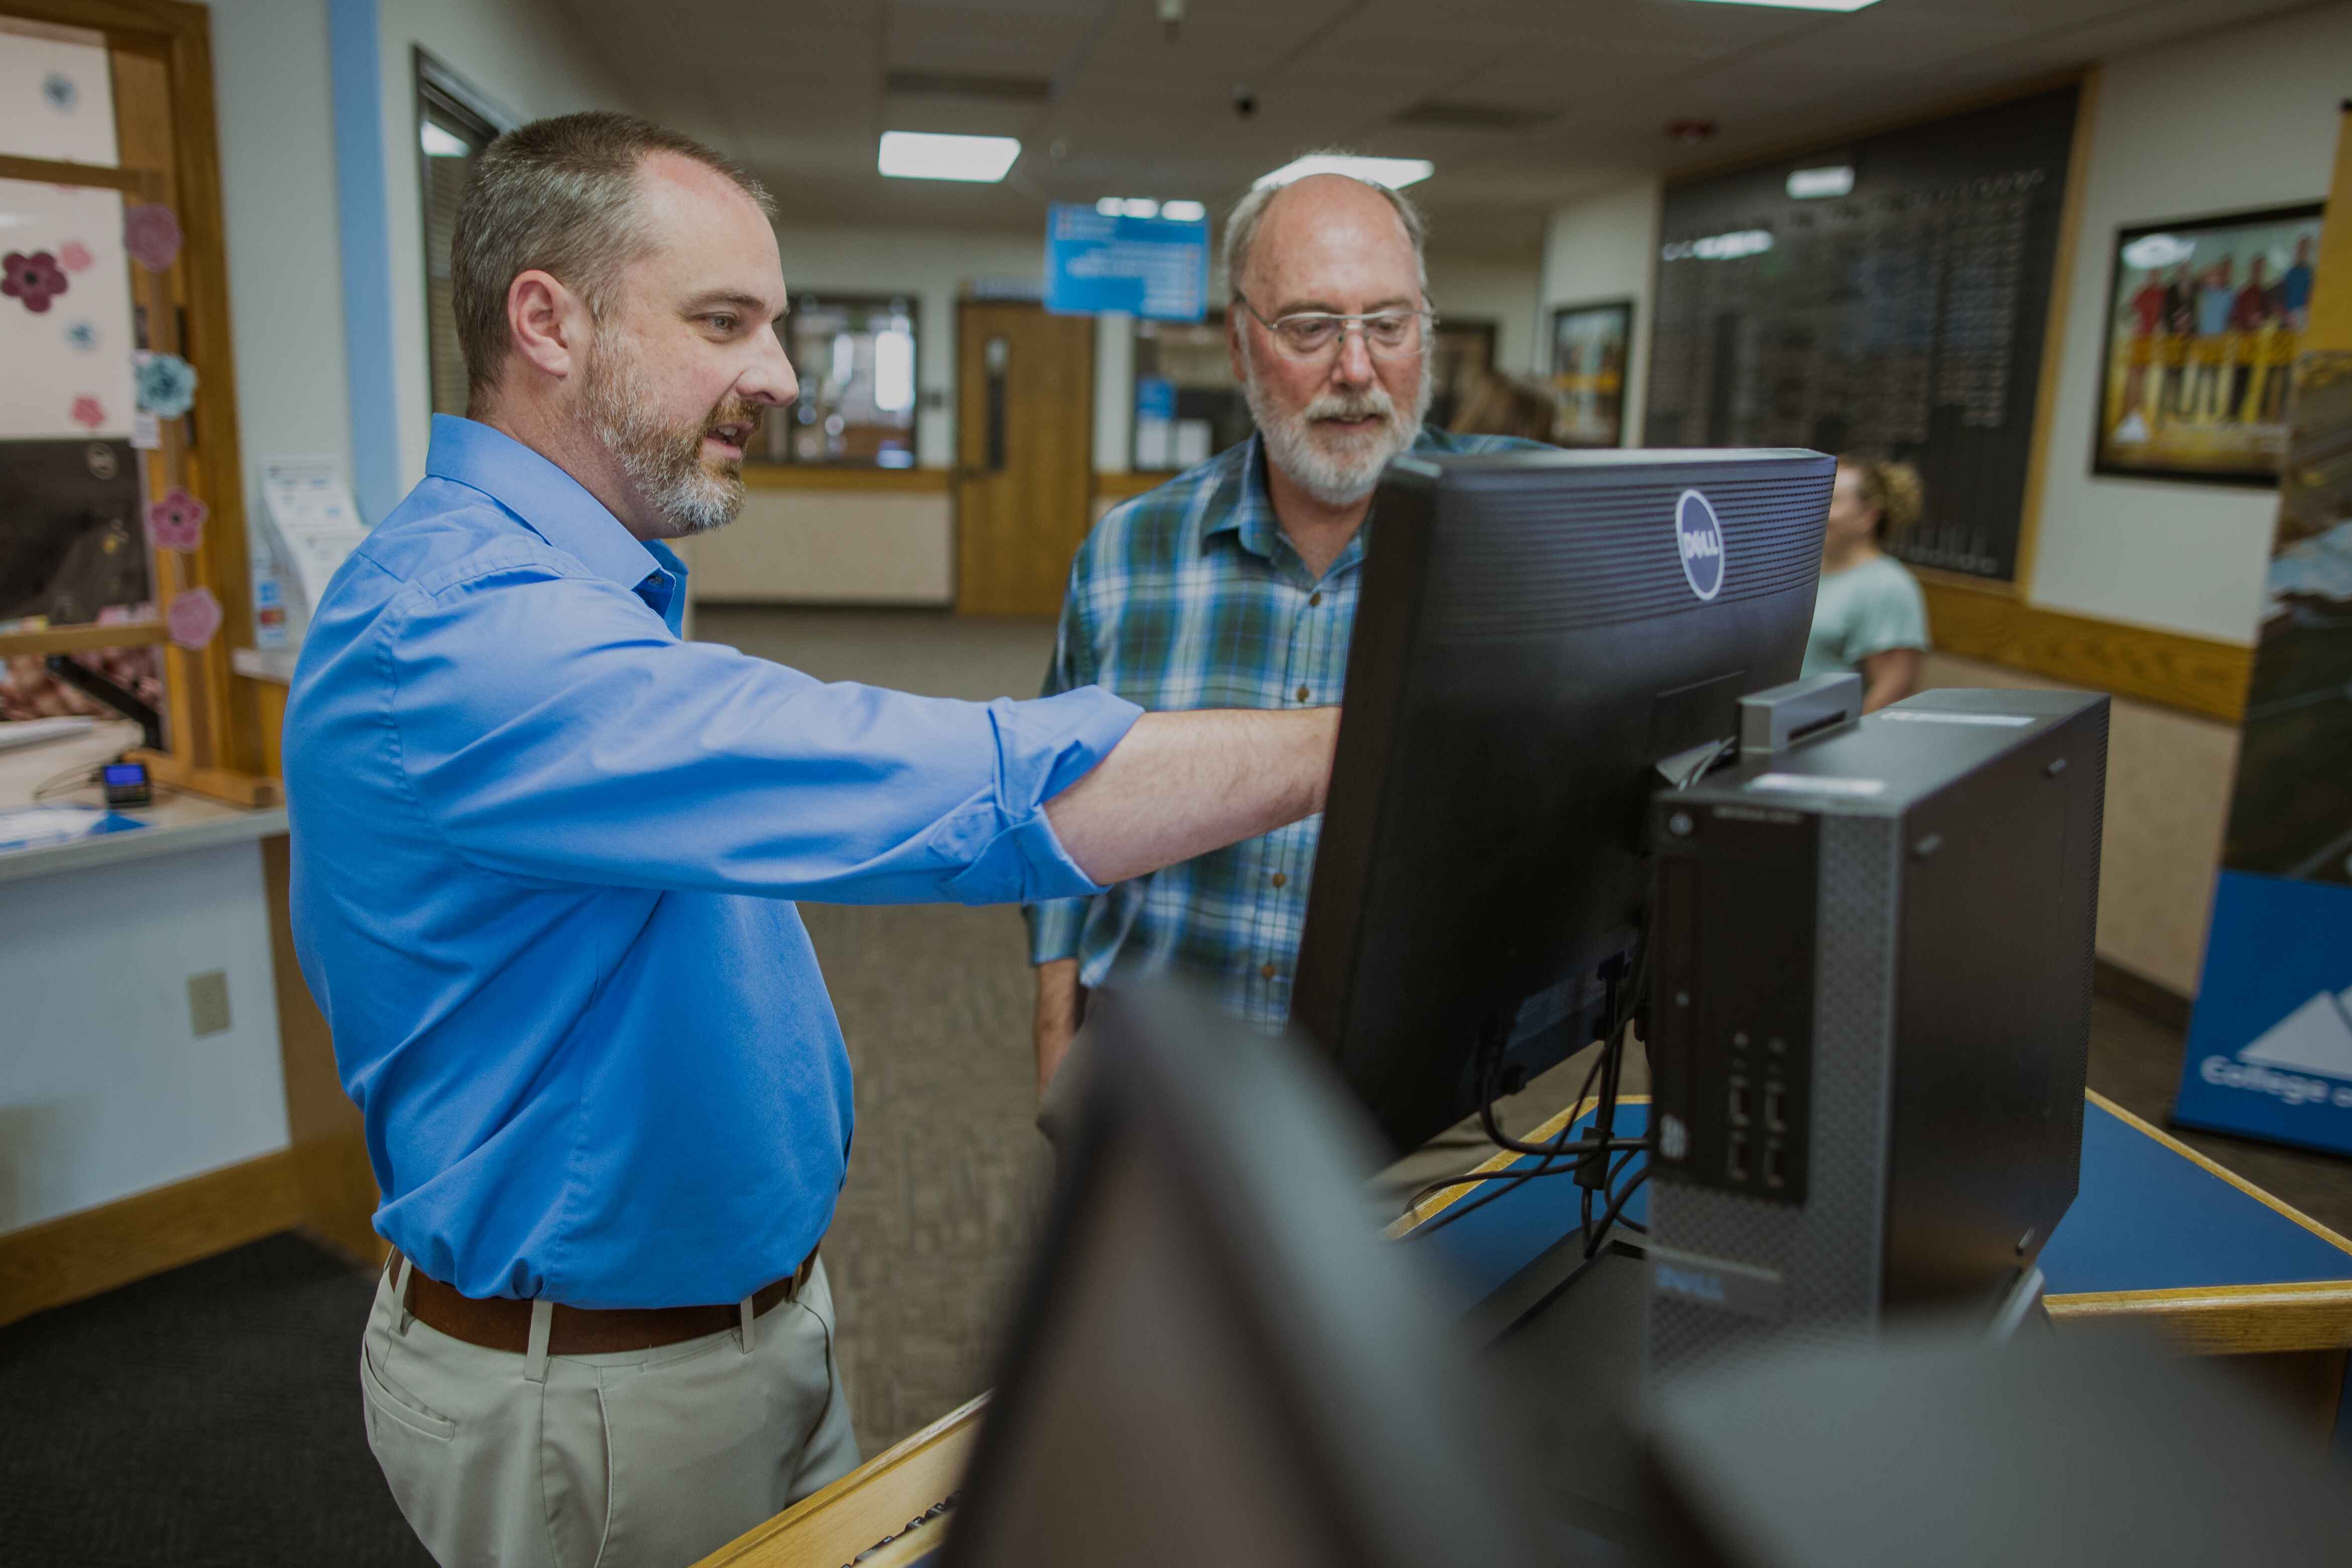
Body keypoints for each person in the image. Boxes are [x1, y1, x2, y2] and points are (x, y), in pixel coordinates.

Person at [283, 112, 1342, 1568]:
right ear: (548, 320)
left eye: (772, 326)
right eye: (725, 322)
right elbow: (960, 792)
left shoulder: (588, 586)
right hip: (595, 1400)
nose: (776, 376)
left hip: (744, 1329)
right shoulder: (468, 635)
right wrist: (1368, 737)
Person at [1023, 169, 1547, 1094]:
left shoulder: (1532, 537)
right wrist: (1059, 1030)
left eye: (1388, 325)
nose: (1356, 369)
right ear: (1238, 342)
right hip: (1167, 1090)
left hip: (1422, 1106)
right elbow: (1052, 811)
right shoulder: (1127, 557)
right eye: (1310, 327)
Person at [1801, 455, 1929, 712]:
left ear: (1868, 516)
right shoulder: (1800, 573)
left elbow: (1891, 695)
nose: (1815, 508)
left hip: (1829, 747)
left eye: (1831, 500)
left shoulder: (1888, 587)